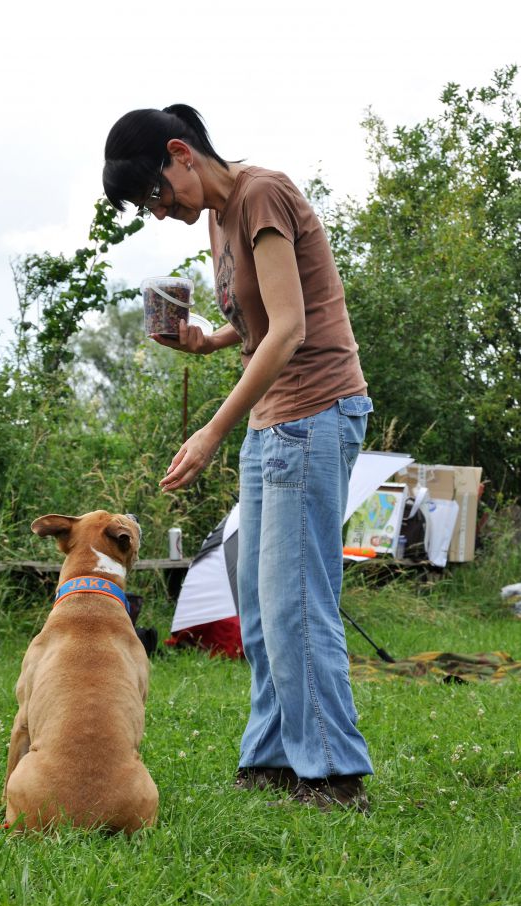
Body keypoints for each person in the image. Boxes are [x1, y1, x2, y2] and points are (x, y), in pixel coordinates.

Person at [102, 104, 374, 812]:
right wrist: (210, 341)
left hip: (313, 411)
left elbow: (290, 328)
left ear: (179, 154)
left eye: (156, 195)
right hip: (275, 421)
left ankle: (334, 776)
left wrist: (211, 431)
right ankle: (274, 758)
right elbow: (258, 317)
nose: (160, 213)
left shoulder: (262, 194)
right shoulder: (222, 216)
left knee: (296, 600)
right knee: (257, 600)